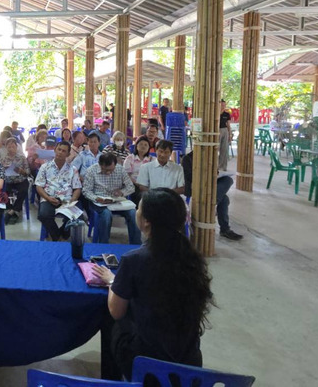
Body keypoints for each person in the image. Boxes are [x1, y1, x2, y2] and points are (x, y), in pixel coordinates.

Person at [93, 189, 214, 380]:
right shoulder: (191, 256)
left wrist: (112, 281)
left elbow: (116, 311)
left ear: (146, 221)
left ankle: (112, 380)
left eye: (139, 209)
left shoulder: (134, 259)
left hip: (146, 363)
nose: (137, 212)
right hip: (188, 359)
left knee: (109, 314)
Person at [181, 152, 242, 241]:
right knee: (224, 199)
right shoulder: (187, 159)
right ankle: (224, 229)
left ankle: (212, 203)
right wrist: (206, 175)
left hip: (209, 185)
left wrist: (215, 174)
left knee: (228, 180)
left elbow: (215, 172)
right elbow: (190, 178)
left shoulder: (209, 156)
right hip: (196, 186)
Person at [81, 152, 139, 244]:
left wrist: (122, 192)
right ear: (100, 164)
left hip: (117, 201)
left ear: (115, 165)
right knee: (106, 214)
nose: (108, 173)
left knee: (133, 213)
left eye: (111, 170)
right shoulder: (91, 170)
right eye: (105, 170)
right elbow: (86, 191)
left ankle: (136, 244)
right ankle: (103, 244)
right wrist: (96, 198)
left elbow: (131, 187)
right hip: (99, 202)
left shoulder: (120, 169)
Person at [34, 141, 83, 241]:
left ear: (68, 154)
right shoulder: (45, 167)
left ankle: (62, 234)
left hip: (67, 200)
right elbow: (38, 186)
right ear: (55, 150)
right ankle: (58, 237)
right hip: (49, 198)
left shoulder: (72, 169)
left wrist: (73, 200)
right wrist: (48, 198)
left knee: (78, 217)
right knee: (43, 215)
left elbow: (77, 188)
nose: (60, 152)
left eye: (64, 151)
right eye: (59, 149)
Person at [0, 137, 29, 224]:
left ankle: (13, 211)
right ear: (6, 148)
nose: (11, 149)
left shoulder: (22, 157)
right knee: (3, 191)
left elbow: (28, 172)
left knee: (23, 190)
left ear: (16, 147)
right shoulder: (3, 159)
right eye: (9, 147)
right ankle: (11, 209)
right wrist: (4, 169)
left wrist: (21, 171)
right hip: (8, 180)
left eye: (13, 146)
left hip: (20, 180)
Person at [124, 136, 154, 201]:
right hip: (134, 185)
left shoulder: (152, 159)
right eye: (141, 144)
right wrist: (138, 184)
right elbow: (126, 175)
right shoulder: (130, 158)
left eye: (146, 145)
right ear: (136, 146)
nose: (143, 146)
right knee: (143, 195)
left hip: (148, 185)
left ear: (148, 148)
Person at [218, 100, 231, 172]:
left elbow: (228, 124)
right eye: (222, 105)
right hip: (217, 130)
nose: (223, 106)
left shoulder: (227, 114)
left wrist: (230, 133)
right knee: (217, 148)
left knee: (224, 149)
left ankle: (223, 166)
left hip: (224, 130)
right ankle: (217, 165)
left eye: (224, 105)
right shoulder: (216, 113)